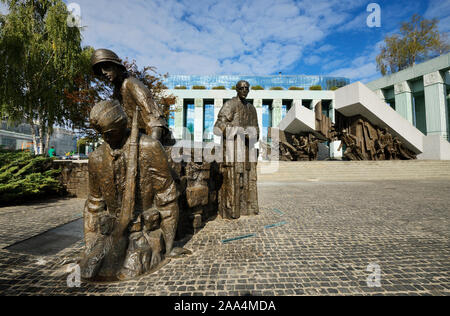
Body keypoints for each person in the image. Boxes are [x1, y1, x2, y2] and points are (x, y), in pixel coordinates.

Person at [80, 100, 179, 281]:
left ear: (122, 124)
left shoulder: (150, 148)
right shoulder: (96, 158)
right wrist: (91, 242)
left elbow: (167, 197)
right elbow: (94, 204)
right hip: (109, 233)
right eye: (102, 134)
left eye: (110, 133)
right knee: (87, 270)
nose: (106, 138)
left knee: (131, 270)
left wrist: (169, 245)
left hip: (143, 233)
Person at [91, 49, 168, 141]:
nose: (104, 72)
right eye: (100, 71)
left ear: (117, 66)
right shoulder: (117, 91)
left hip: (148, 141)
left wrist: (152, 146)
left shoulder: (131, 84)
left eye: (107, 67)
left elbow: (157, 120)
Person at [213, 80, 259, 219]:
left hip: (247, 150)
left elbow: (257, 130)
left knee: (248, 181)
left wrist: (251, 133)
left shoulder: (252, 108)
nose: (244, 90)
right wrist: (238, 131)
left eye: (246, 88)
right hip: (233, 150)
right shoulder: (230, 104)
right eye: (242, 88)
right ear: (237, 90)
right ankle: (232, 210)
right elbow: (218, 126)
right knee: (233, 181)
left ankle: (248, 209)